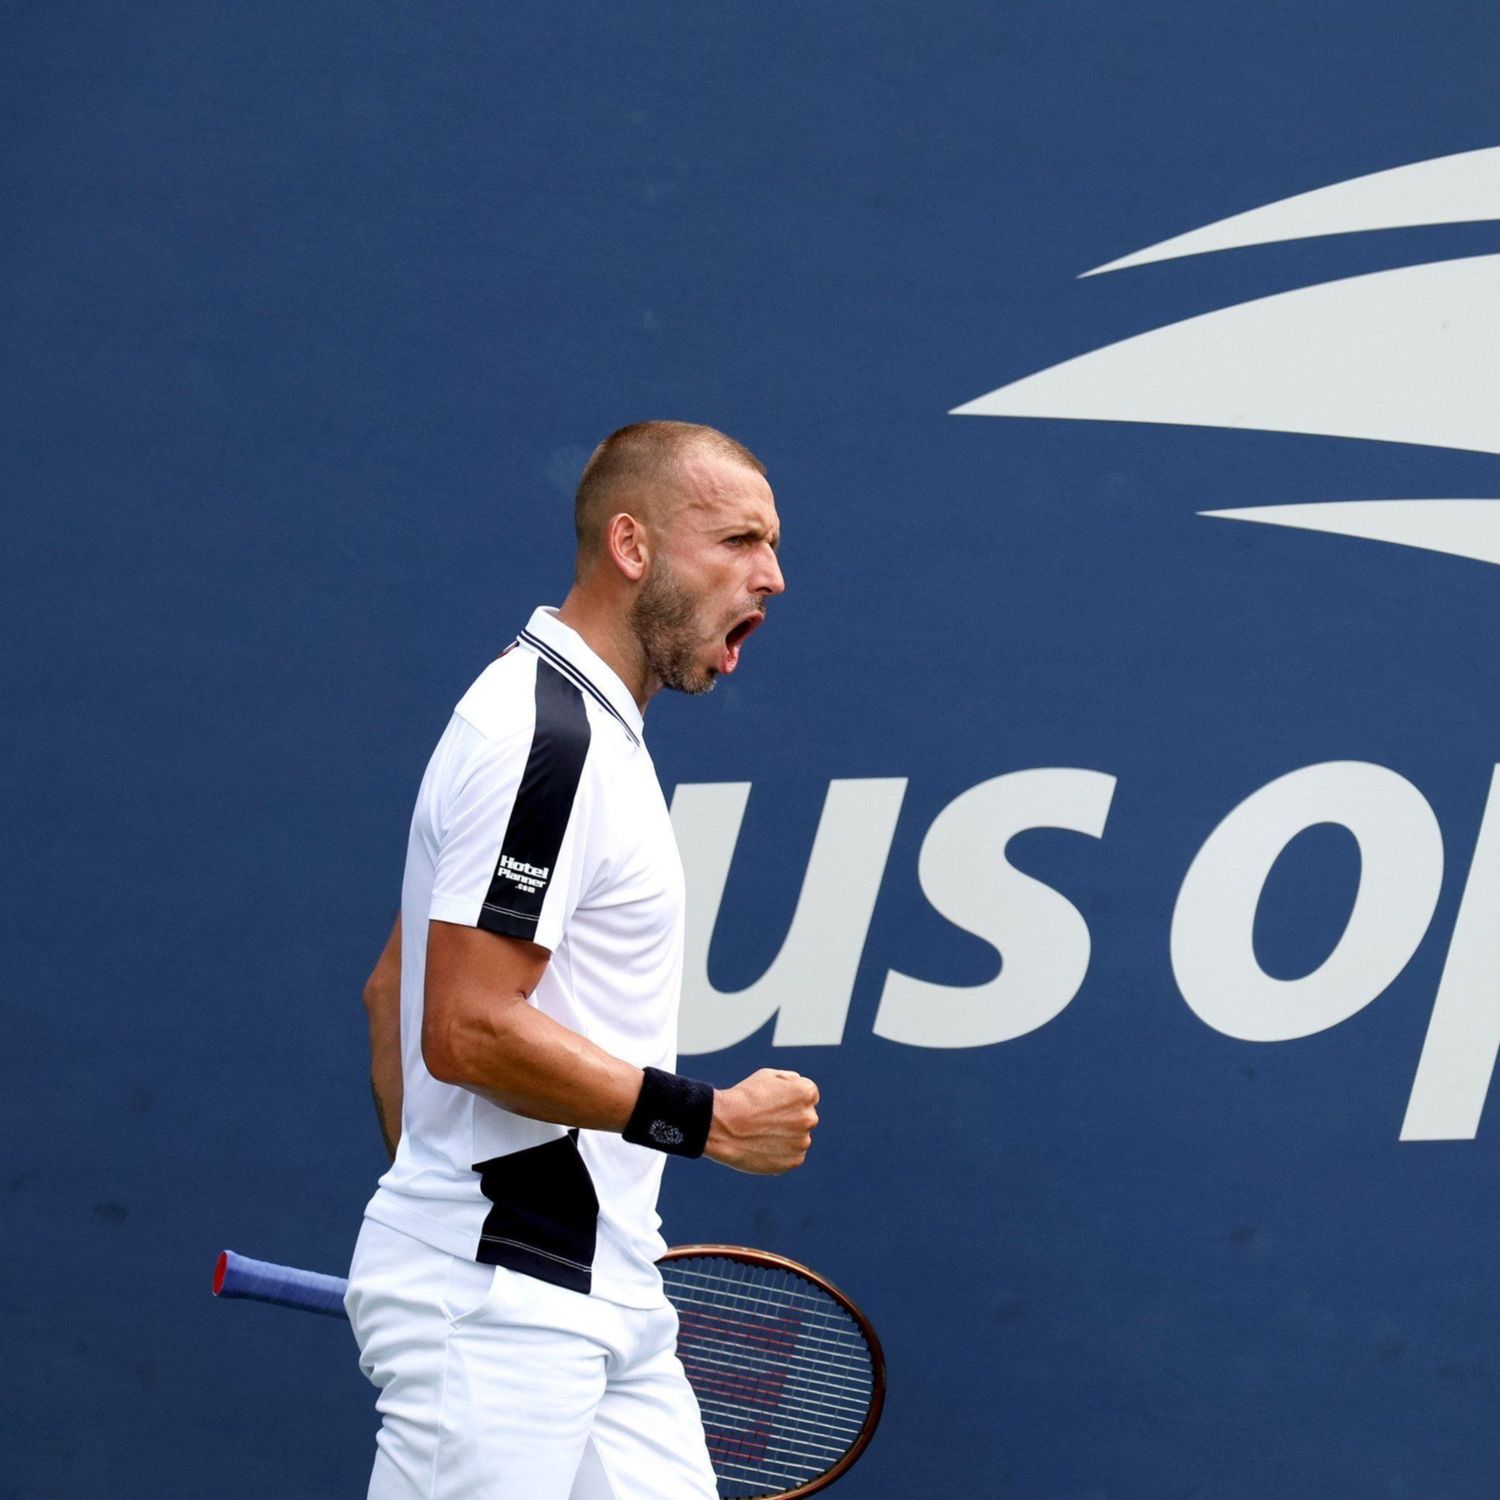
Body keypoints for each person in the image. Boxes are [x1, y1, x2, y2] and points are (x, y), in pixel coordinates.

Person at [346, 421, 821, 1500]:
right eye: (740, 539)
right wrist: (704, 1121)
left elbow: (393, 989)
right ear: (632, 545)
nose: (774, 576)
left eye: (776, 544)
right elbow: (461, 1025)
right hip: (506, 1309)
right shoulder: (543, 738)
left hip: (596, 1294)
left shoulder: (589, 737)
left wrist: (441, 1210)